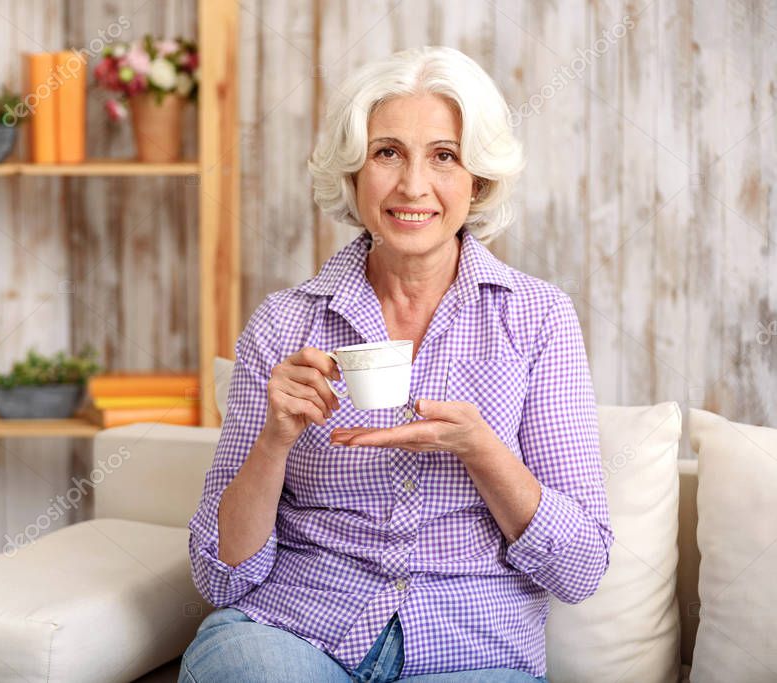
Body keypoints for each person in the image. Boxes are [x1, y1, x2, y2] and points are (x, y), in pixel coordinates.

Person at [179, 45, 612, 683]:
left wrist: (480, 449)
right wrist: (273, 441)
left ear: (479, 179)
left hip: (472, 651)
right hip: (294, 636)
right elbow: (221, 573)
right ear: (354, 174)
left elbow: (579, 568)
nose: (413, 186)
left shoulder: (538, 319)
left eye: (444, 156)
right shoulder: (284, 323)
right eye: (388, 153)